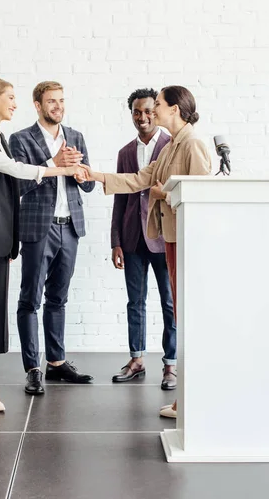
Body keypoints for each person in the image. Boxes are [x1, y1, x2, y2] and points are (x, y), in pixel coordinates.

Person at [0, 78, 81, 429]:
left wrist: (11, 241)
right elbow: (14, 171)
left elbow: (9, 193)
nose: (14, 104)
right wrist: (58, 167)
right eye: (10, 98)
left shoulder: (2, 139)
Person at [78, 86, 211, 418]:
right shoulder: (171, 148)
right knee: (178, 312)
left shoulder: (191, 144)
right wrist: (93, 174)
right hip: (170, 238)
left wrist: (162, 194)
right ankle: (185, 400)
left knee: (182, 314)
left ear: (175, 110)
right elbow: (138, 179)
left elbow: (202, 195)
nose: (154, 111)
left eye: (161, 105)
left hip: (185, 239)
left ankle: (191, 398)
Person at [9, 81, 95, 396]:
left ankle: (56, 363)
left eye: (61, 100)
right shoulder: (21, 140)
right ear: (37, 104)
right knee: (30, 300)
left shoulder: (75, 137)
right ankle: (33, 368)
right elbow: (16, 186)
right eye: (51, 101)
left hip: (69, 226)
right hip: (38, 229)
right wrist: (52, 165)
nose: (58, 106)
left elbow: (87, 186)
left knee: (58, 299)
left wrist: (82, 175)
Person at [110, 88, 177, 389]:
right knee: (135, 301)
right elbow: (120, 200)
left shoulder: (171, 146)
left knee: (170, 302)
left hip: (163, 238)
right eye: (137, 112)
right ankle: (136, 359)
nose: (143, 117)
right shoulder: (125, 152)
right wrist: (116, 241)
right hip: (133, 238)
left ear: (157, 111)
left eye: (148, 110)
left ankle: (171, 365)